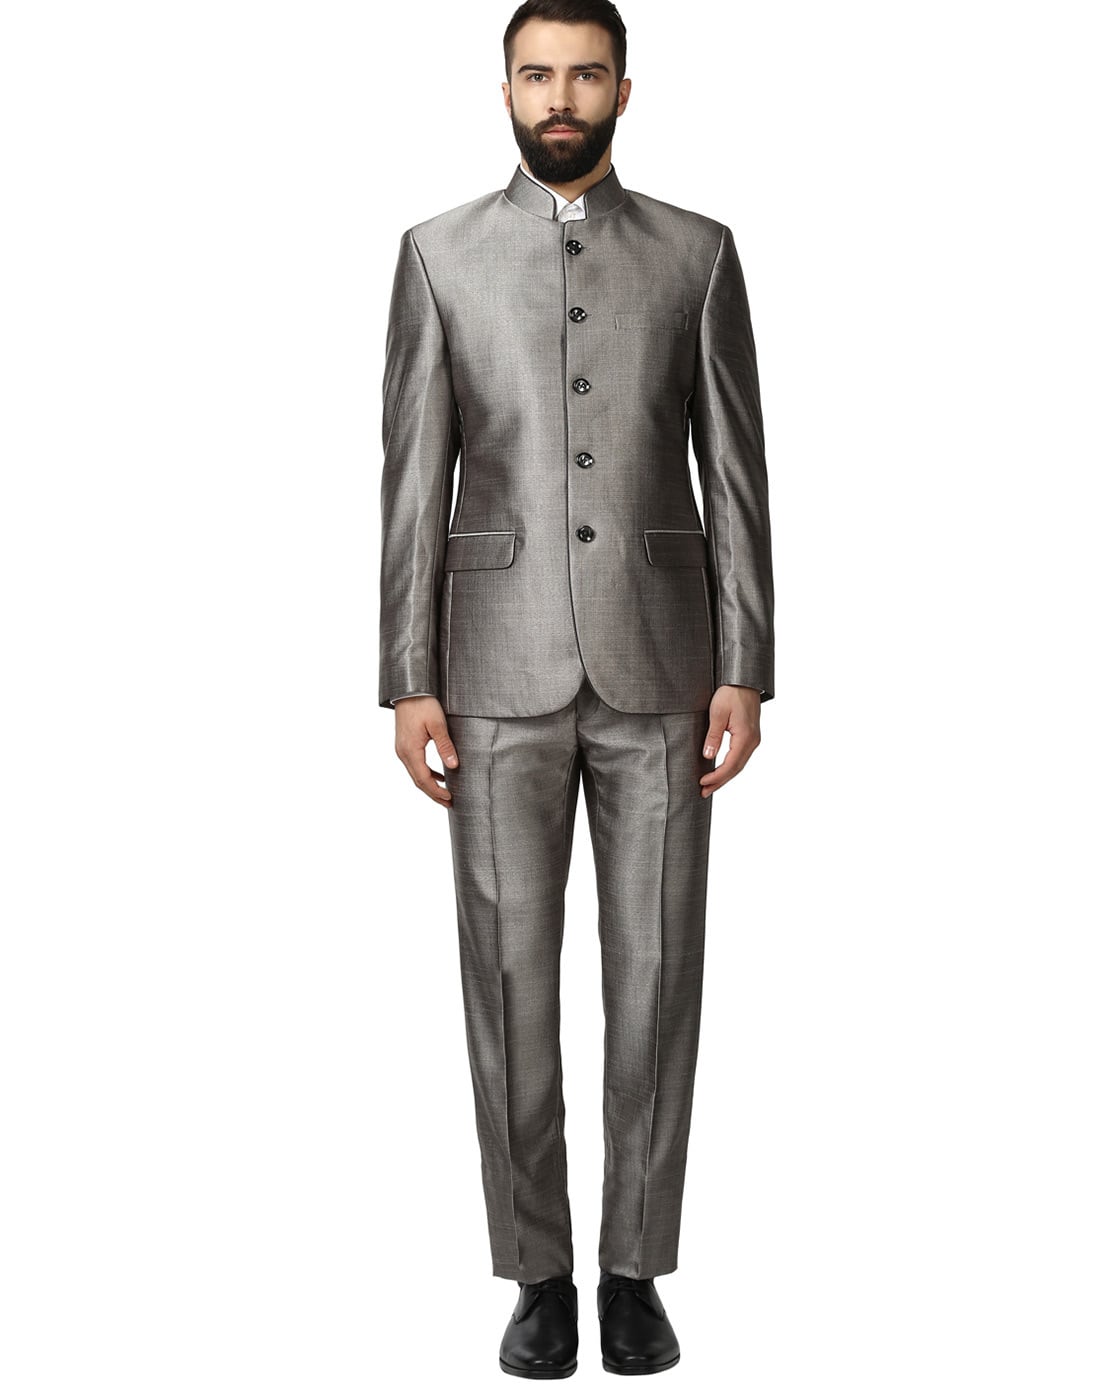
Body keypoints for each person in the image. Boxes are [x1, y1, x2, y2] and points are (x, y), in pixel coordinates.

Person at [378, 0, 775, 1378]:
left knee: (658, 978)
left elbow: (735, 470)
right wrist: (406, 676)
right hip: (488, 669)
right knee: (507, 981)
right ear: (503, 88)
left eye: (584, 75)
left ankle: (635, 1272)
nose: (561, 96)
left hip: (665, 665)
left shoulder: (697, 254)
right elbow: (411, 478)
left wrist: (746, 661)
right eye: (537, 74)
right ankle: (536, 1272)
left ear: (623, 89)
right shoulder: (436, 254)